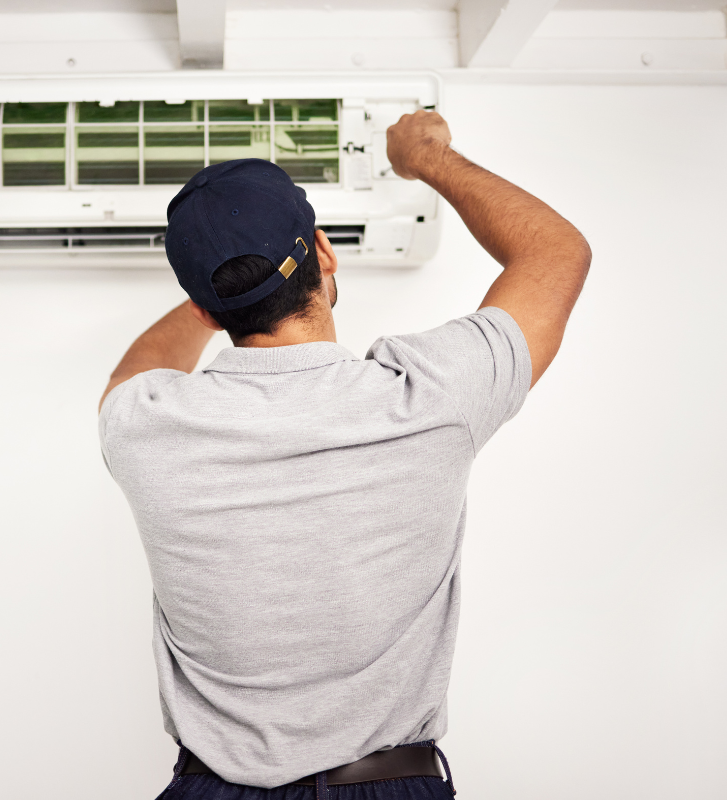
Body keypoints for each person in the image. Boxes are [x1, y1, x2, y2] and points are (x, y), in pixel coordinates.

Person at [97, 110, 591, 799]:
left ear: (205, 312)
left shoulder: (143, 426)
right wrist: (428, 157)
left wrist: (222, 287)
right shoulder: (428, 395)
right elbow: (557, 253)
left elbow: (137, 370)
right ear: (323, 255)